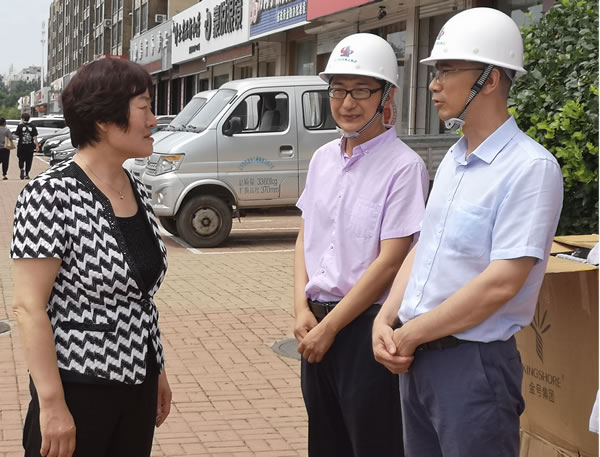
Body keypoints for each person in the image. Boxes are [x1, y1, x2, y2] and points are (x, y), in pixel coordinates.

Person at [371, 8, 564, 457]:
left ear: (490, 79)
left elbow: (502, 283)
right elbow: (425, 247)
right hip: (417, 356)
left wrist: (411, 333)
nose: (434, 85)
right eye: (436, 72)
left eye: (447, 71)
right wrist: (386, 319)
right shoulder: (455, 159)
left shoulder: (530, 168)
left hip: (472, 364)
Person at [11, 57, 172, 457]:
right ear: (103, 119)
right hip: (78, 387)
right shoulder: (50, 194)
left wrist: (156, 368)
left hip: (137, 385)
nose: (153, 120)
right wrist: (51, 405)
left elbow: (139, 296)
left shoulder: (135, 187)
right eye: (144, 107)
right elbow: (29, 307)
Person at [294, 33, 429, 457]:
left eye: (361, 91)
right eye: (338, 90)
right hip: (316, 323)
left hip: (365, 331)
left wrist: (331, 328)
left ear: (387, 96)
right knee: (325, 442)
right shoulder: (322, 159)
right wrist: (301, 308)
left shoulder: (404, 167)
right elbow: (305, 235)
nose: (347, 103)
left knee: (373, 444)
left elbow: (391, 261)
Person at [14, 112, 38, 180]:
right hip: (30, 146)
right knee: (29, 160)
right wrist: (37, 146)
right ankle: (27, 174)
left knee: (21, 158)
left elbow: (16, 136)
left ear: (22, 118)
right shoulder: (33, 126)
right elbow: (35, 137)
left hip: (21, 146)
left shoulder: (20, 126)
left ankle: (21, 168)